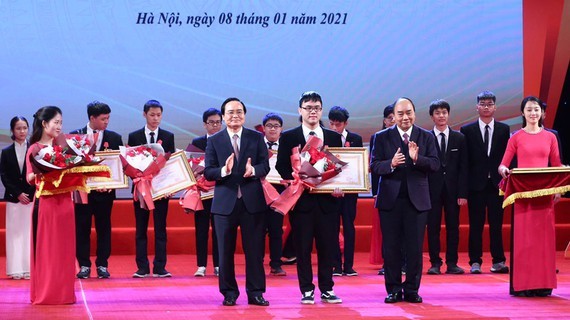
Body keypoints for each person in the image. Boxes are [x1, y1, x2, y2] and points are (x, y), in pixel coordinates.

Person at [276, 91, 343, 304]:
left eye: (316, 107)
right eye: (308, 107)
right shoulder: (289, 136)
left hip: (327, 203)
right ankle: (306, 289)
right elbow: (281, 166)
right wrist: (297, 178)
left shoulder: (333, 137)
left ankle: (327, 288)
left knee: (327, 247)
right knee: (302, 248)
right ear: (300, 110)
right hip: (301, 202)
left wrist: (339, 187)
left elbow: (340, 168)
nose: (312, 111)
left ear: (321, 110)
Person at [370, 97, 439, 304]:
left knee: (414, 248)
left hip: (416, 201)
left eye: (408, 112)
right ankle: (393, 290)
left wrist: (418, 159)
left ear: (414, 114)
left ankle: (411, 290)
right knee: (391, 248)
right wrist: (390, 164)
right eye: (400, 114)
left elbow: (435, 164)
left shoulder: (425, 137)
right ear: (394, 116)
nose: (405, 117)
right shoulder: (381, 137)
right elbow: (374, 166)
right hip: (390, 201)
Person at [204, 97, 270, 307]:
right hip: (225, 204)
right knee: (224, 253)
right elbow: (208, 172)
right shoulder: (214, 140)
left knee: (255, 252)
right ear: (223, 116)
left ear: (245, 114)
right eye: (231, 112)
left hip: (252, 203)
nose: (235, 116)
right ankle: (229, 293)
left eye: (239, 112)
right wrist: (224, 170)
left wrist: (254, 171)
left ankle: (256, 292)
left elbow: (265, 166)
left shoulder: (256, 137)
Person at [498, 96, 562, 297]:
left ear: (541, 113)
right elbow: (503, 164)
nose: (533, 113)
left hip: (544, 197)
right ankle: (523, 285)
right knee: (525, 242)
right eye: (529, 110)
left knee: (543, 241)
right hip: (523, 196)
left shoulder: (551, 137)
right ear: (523, 113)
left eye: (536, 110)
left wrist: (559, 189)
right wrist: (504, 171)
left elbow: (557, 165)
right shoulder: (516, 137)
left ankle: (543, 285)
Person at [26, 106, 76, 304]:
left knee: (64, 251)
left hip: (65, 203)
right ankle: (46, 293)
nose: (59, 126)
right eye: (56, 122)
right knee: (47, 251)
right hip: (45, 203)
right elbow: (29, 177)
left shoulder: (64, 147)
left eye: (61, 122)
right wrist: (43, 170)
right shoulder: (35, 148)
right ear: (44, 123)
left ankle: (64, 293)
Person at [71, 101, 123, 279]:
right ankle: (84, 264)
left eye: (108, 118)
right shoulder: (75, 136)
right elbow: (70, 165)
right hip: (83, 192)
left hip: (104, 193)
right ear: (92, 118)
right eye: (103, 118)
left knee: (104, 228)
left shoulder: (115, 138)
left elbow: (118, 166)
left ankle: (102, 264)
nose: (107, 122)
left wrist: (110, 185)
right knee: (82, 228)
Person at [460, 91, 510, 274]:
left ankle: (498, 261)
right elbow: (464, 163)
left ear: (495, 107)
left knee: (497, 225)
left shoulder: (504, 130)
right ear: (477, 107)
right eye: (483, 103)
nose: (486, 106)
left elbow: (508, 158)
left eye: (490, 104)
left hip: (498, 185)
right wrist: (463, 191)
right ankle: (475, 262)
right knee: (476, 225)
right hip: (476, 186)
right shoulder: (467, 130)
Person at [128, 100, 176, 278]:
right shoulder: (134, 136)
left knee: (160, 228)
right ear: (144, 114)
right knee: (141, 228)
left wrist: (171, 185)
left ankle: (160, 266)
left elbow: (170, 164)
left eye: (159, 115)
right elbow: (129, 162)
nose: (156, 119)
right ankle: (142, 267)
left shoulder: (168, 136)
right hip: (141, 188)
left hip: (161, 190)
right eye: (152, 115)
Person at [426, 99, 468, 275]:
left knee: (453, 227)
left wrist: (463, 193)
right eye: (437, 113)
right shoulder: (426, 137)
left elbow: (464, 167)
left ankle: (452, 263)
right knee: (433, 227)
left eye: (444, 112)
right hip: (431, 191)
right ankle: (435, 262)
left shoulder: (459, 137)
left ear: (448, 115)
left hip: (453, 191)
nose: (441, 116)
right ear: (432, 116)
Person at [328, 106, 363, 277]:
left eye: (338, 124)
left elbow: (358, 165)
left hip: (350, 192)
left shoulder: (356, 139)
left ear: (346, 123)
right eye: (332, 124)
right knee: (333, 228)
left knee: (349, 227)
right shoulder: (324, 139)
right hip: (331, 192)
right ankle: (336, 266)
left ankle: (349, 265)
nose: (335, 128)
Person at [188, 108, 222, 277]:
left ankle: (218, 265)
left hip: (220, 193)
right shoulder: (198, 142)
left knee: (219, 230)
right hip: (202, 192)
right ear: (205, 124)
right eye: (211, 123)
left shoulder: (226, 140)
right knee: (201, 229)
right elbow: (190, 166)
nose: (215, 126)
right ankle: (201, 265)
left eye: (218, 122)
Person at [1, 116, 34, 280]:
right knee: (15, 233)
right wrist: (18, 193)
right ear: (12, 131)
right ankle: (15, 269)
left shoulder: (34, 150)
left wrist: (28, 193)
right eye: (18, 128)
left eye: (25, 128)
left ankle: (29, 268)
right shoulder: (6, 152)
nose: (22, 131)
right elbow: (4, 176)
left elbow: (38, 173)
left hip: (31, 198)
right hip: (14, 199)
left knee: (29, 233)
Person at [369, 105, 395, 276]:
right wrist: (375, 191)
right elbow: (374, 165)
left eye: (397, 116)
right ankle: (388, 263)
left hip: (405, 191)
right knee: (387, 230)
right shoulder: (378, 138)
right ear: (385, 120)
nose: (393, 120)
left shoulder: (412, 137)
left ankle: (404, 263)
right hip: (384, 189)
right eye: (390, 117)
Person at [262, 112, 287, 276]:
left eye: (276, 126)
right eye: (269, 126)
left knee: (276, 229)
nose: (273, 129)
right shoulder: (256, 144)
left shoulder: (286, 146)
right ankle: (256, 262)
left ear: (281, 129)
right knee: (256, 229)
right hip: (259, 191)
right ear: (263, 128)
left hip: (279, 191)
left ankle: (276, 264)